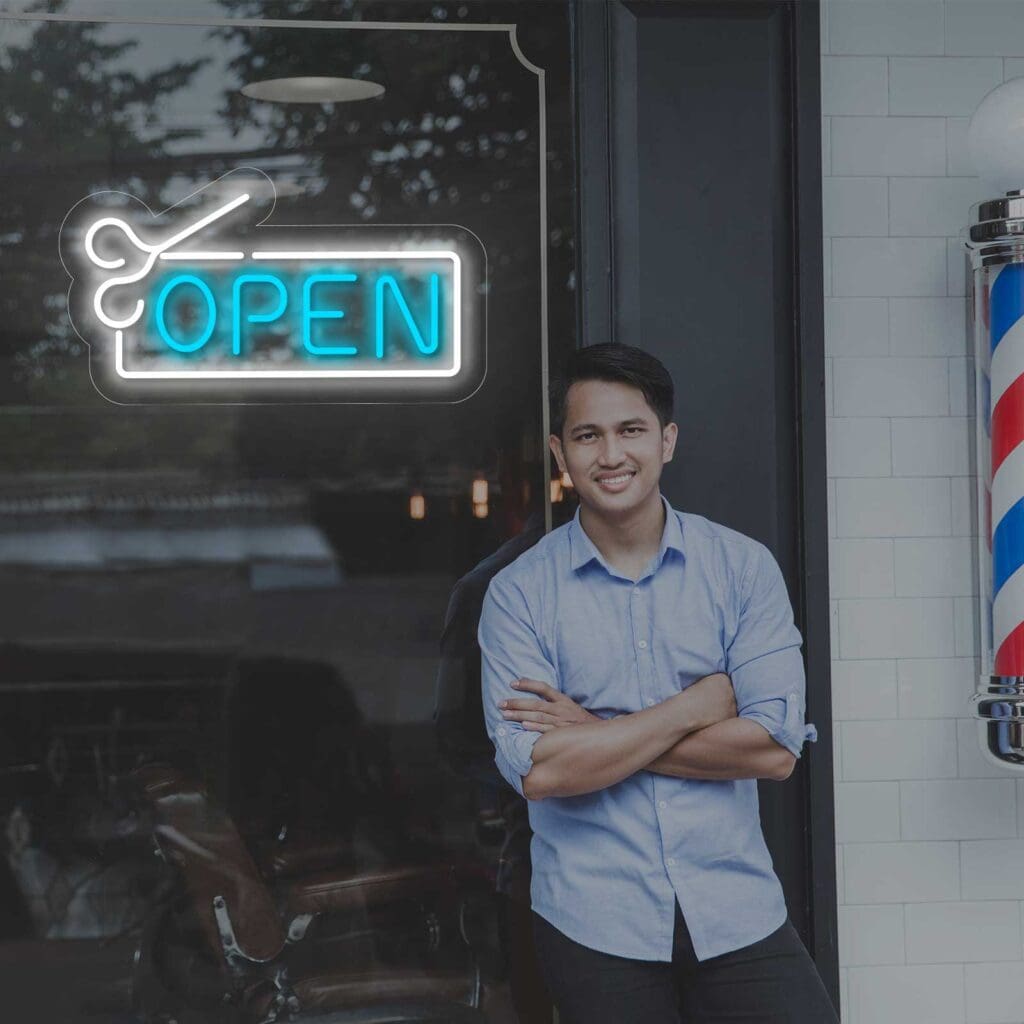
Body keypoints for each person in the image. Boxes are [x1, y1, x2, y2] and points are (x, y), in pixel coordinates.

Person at [477, 343, 838, 1023]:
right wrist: (696, 706)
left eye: (630, 430)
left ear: (667, 441)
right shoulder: (519, 595)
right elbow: (541, 771)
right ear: (560, 454)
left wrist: (598, 732)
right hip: (595, 922)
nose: (610, 454)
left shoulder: (741, 570)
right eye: (588, 435)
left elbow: (773, 751)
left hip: (737, 911)